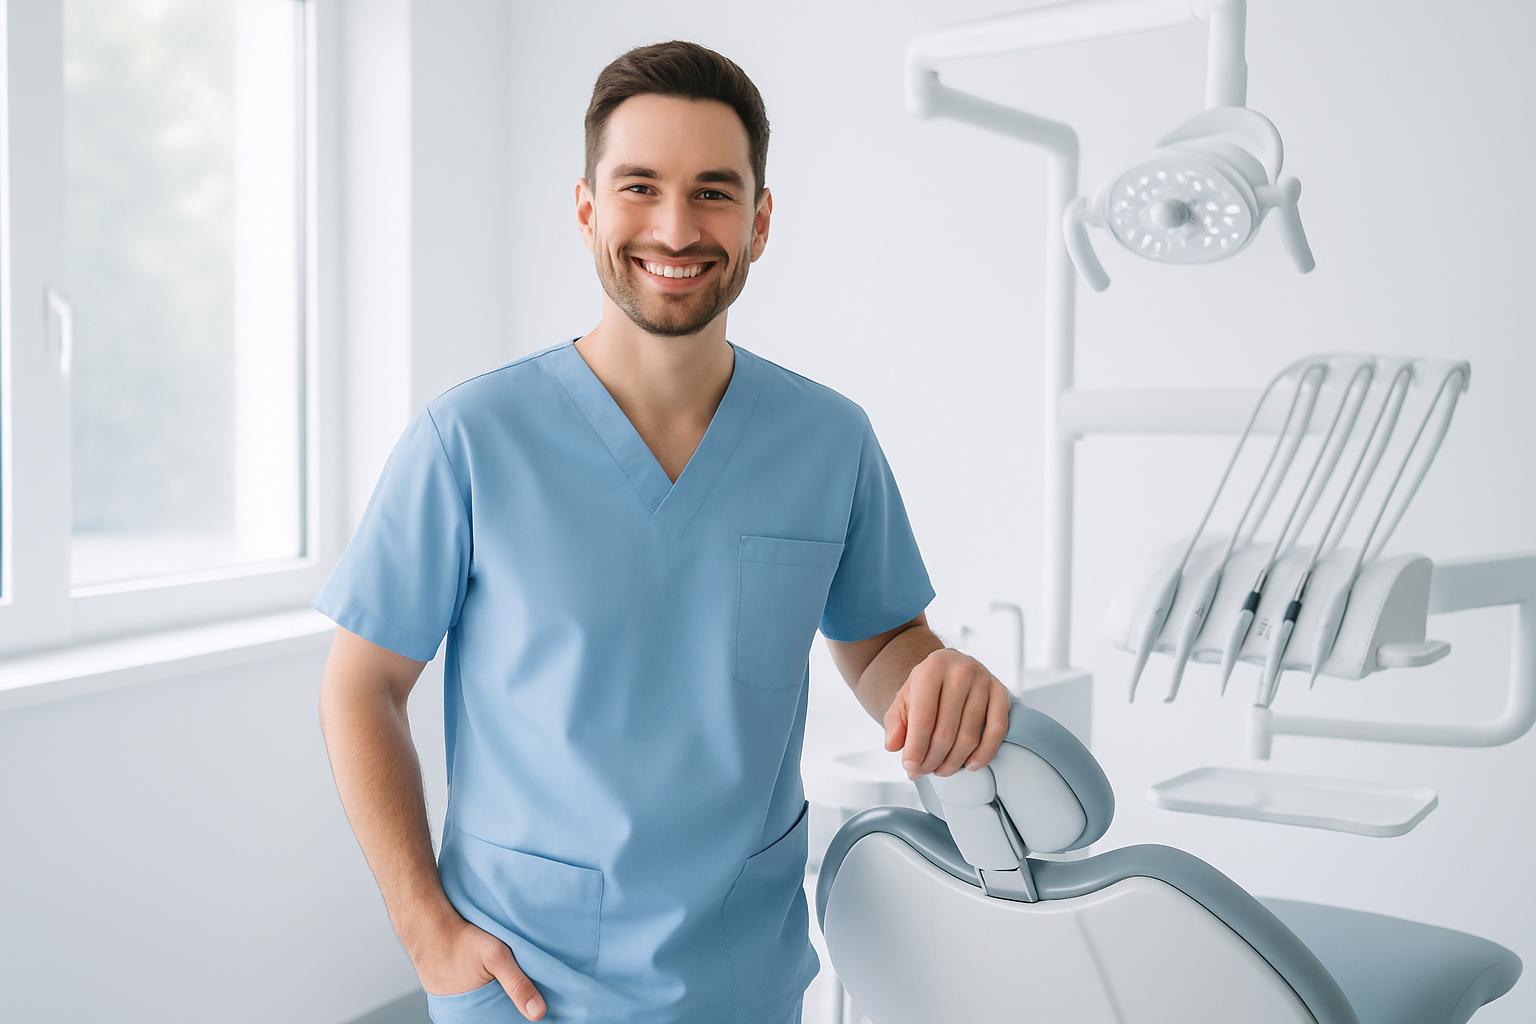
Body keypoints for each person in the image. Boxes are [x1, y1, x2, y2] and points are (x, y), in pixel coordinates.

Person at [315, 40, 1012, 1024]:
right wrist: (420, 920)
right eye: (639, 187)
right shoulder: (468, 439)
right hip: (520, 983)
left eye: (714, 192)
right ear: (587, 207)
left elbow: (883, 642)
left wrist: (942, 677)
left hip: (740, 974)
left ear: (761, 220)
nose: (676, 227)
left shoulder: (829, 441)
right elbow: (362, 683)